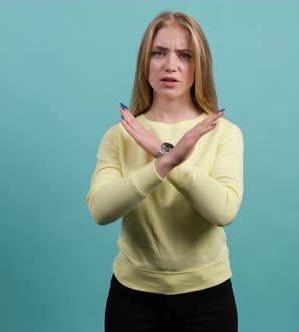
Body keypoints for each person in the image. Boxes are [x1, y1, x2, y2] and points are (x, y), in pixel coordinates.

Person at [86, 11, 244, 332]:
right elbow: (100, 211)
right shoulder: (119, 135)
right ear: (145, 63)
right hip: (133, 299)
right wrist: (164, 163)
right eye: (159, 52)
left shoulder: (224, 133)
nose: (170, 65)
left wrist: (161, 151)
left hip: (208, 298)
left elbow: (224, 210)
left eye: (184, 55)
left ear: (199, 66)